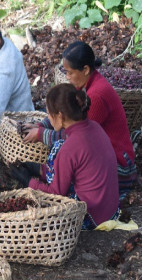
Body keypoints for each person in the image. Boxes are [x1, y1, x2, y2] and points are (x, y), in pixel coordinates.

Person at [23, 41, 137, 196]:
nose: (67, 77)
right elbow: (64, 111)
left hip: (119, 168)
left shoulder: (96, 96)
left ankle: (44, 175)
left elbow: (76, 139)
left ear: (85, 69)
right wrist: (41, 124)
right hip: (102, 154)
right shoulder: (87, 85)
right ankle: (43, 172)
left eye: (70, 73)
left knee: (63, 152)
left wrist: (40, 134)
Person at [12, 84, 120, 230]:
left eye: (49, 114)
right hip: (110, 211)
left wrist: (28, 181)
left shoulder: (68, 148)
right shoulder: (94, 126)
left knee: (57, 148)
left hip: (91, 216)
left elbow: (55, 195)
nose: (48, 118)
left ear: (60, 116)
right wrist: (37, 169)